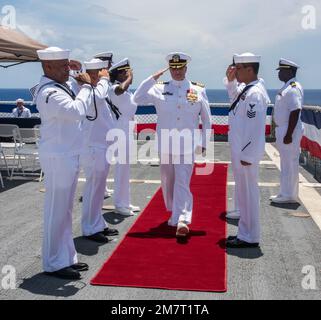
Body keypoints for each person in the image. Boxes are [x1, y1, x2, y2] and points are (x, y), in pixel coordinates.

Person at [35, 47, 106, 279]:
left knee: (65, 211)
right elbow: (76, 111)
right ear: (48, 67)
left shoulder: (58, 86)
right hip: (58, 157)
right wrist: (86, 86)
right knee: (57, 211)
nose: (69, 69)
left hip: (67, 154)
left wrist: (75, 74)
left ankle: (66, 257)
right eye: (63, 65)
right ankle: (53, 262)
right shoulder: (50, 92)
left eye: (68, 64)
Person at [133, 52, 211, 237]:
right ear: (170, 69)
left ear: (186, 68)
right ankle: (174, 209)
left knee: (183, 181)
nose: (177, 71)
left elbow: (206, 119)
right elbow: (137, 97)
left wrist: (204, 143)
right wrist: (153, 78)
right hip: (166, 143)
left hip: (187, 144)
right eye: (173, 68)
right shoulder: (159, 88)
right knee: (168, 181)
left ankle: (182, 219)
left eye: (180, 67)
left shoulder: (198, 90)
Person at [224, 52, 270, 248]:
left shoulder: (254, 94)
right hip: (241, 151)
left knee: (249, 195)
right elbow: (235, 97)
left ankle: (250, 236)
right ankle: (245, 233)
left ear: (250, 70)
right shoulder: (247, 90)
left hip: (246, 153)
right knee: (244, 195)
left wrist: (248, 155)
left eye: (239, 68)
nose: (235, 71)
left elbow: (254, 128)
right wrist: (230, 81)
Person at [80, 58, 119, 243]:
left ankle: (97, 222)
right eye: (101, 73)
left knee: (98, 189)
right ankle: (90, 227)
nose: (105, 76)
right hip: (94, 148)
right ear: (93, 74)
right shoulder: (90, 91)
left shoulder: (94, 90)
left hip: (101, 146)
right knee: (93, 189)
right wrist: (104, 80)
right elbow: (100, 95)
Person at [108, 58, 140, 216]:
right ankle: (120, 204)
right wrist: (129, 79)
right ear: (118, 74)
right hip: (119, 132)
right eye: (125, 72)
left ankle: (125, 202)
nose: (128, 73)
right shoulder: (114, 89)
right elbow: (119, 90)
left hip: (127, 131)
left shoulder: (126, 91)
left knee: (125, 170)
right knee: (121, 170)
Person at [270, 59, 303, 204]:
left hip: (289, 130)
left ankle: (290, 195)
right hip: (284, 129)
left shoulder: (293, 88)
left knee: (290, 163)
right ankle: (285, 192)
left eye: (281, 71)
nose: (279, 74)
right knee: (285, 163)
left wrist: (289, 134)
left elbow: (295, 111)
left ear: (289, 71)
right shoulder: (287, 87)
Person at [94, 51, 115, 197]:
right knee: (98, 168)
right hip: (97, 133)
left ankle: (104, 188)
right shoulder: (97, 81)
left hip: (104, 129)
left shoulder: (106, 80)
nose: (110, 66)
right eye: (108, 64)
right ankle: (100, 189)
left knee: (103, 167)